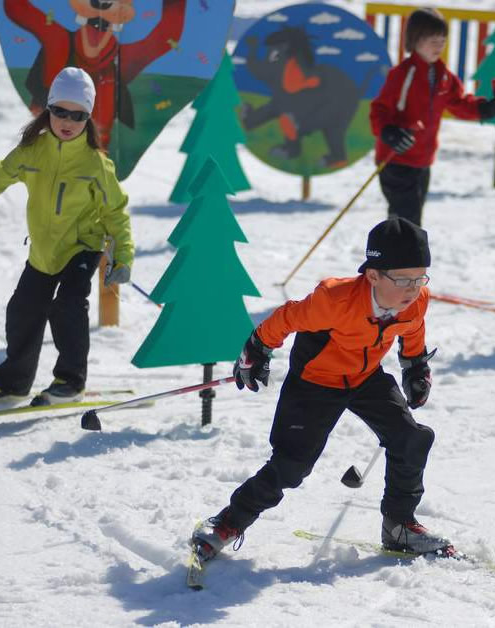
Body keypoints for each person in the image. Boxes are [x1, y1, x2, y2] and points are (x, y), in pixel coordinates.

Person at [192, 217, 451, 562]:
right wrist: (256, 350)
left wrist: (415, 366)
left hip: (365, 377)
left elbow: (413, 328)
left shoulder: (416, 300)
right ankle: (226, 523)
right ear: (372, 275)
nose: (412, 289)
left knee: (412, 438)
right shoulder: (334, 298)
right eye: (403, 279)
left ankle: (399, 526)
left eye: (420, 278)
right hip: (315, 383)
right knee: (292, 466)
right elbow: (286, 318)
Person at [0, 67, 134, 405]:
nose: (67, 120)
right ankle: (14, 382)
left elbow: (116, 213)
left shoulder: (95, 165)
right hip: (45, 251)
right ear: (48, 110)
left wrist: (123, 257)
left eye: (77, 114)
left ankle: (70, 382)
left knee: (68, 306)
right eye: (60, 110)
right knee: (23, 311)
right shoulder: (33, 151)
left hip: (83, 246)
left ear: (87, 118)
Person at [370, 7, 495, 226]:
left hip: (422, 161)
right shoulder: (402, 75)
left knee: (412, 219)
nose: (439, 45)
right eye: (431, 39)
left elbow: (460, 103)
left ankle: (403, 256)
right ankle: (398, 257)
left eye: (442, 40)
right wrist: (389, 132)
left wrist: (487, 108)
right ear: (415, 40)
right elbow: (379, 110)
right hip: (396, 158)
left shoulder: (443, 76)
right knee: (406, 219)